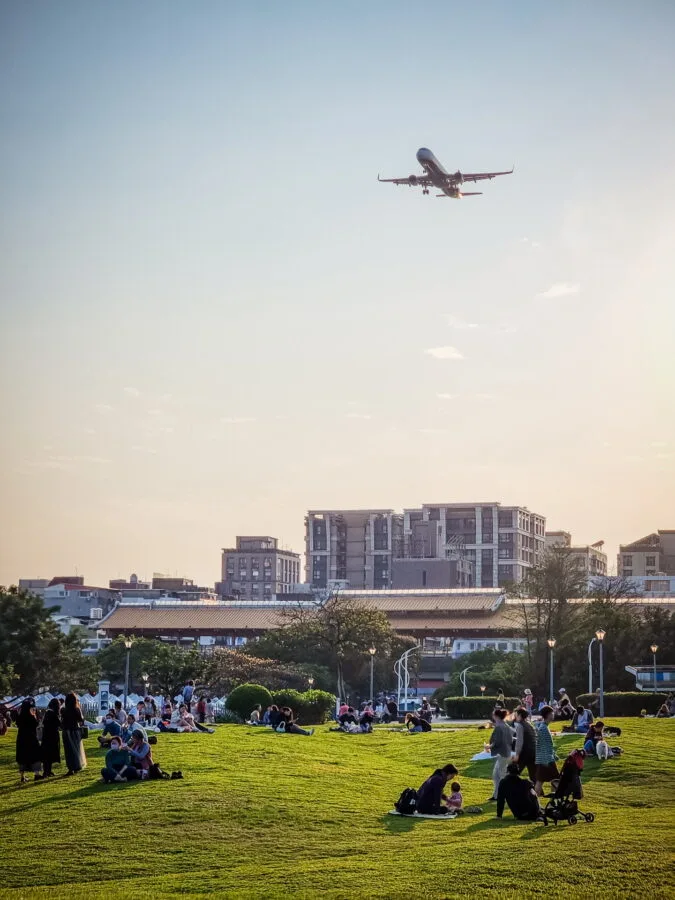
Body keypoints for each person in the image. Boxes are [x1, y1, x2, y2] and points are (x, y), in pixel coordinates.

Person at [486, 708, 514, 802]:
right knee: (496, 775)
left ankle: (504, 795)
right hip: (506, 753)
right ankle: (497, 795)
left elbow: (497, 742)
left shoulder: (499, 727)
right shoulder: (506, 725)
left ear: (496, 716)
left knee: (501, 775)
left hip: (502, 753)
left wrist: (488, 746)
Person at [15, 698, 43, 783]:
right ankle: (37, 774)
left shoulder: (20, 717)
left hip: (21, 739)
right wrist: (34, 714)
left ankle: (22, 777)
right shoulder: (31, 716)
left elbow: (17, 724)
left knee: (22, 757)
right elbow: (36, 724)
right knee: (35, 756)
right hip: (31, 738)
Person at [534, 705, 557, 797]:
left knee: (540, 781)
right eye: (552, 713)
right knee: (555, 780)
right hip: (546, 759)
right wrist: (551, 757)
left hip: (543, 759)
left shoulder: (543, 726)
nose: (553, 714)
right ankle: (553, 800)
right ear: (548, 715)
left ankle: (536, 802)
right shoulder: (543, 728)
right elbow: (544, 745)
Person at [61, 692, 87, 776]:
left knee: (68, 751)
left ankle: (70, 768)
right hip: (75, 730)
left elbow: (62, 721)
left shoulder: (63, 710)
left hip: (66, 731)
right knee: (76, 749)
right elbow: (81, 719)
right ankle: (77, 766)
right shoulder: (76, 709)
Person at [513, 706, 536, 781]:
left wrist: (517, 754)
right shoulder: (529, 725)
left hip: (524, 753)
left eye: (516, 714)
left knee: (512, 773)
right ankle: (539, 792)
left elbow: (519, 741)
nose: (515, 716)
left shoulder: (519, 725)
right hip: (533, 752)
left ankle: (509, 790)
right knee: (534, 777)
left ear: (519, 715)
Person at [41, 697, 62, 777]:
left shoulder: (47, 712)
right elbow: (59, 724)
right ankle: (47, 771)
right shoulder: (53, 714)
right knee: (50, 754)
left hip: (46, 736)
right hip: (52, 736)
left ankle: (47, 771)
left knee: (47, 755)